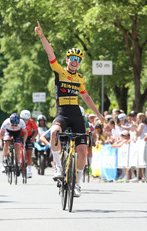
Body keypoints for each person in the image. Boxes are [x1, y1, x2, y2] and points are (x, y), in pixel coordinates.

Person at [35, 21, 105, 197]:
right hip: (62, 113)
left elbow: (86, 97)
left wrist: (98, 115)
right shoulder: (59, 71)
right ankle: (58, 168)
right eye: (72, 59)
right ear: (67, 60)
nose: (74, 62)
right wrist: (42, 36)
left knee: (82, 150)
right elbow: (50, 52)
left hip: (76, 113)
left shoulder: (80, 78)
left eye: (78, 60)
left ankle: (78, 184)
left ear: (80, 63)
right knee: (53, 133)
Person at [20, 110, 38, 178]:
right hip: (20, 136)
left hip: (29, 137)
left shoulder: (31, 121)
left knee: (29, 153)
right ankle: (19, 162)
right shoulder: (18, 122)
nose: (25, 121)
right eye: (24, 119)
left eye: (27, 119)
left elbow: (36, 131)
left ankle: (29, 171)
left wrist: (33, 137)